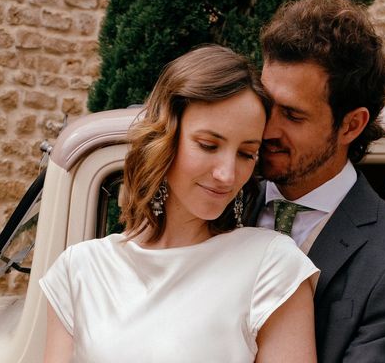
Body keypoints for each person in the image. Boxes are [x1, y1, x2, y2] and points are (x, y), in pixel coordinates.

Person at [40, 45, 319, 363]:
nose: (226, 175)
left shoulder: (272, 265)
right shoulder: (79, 269)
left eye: (246, 153)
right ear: (164, 139)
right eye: (208, 145)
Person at [250, 0, 385, 363]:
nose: (267, 129)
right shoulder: (218, 203)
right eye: (265, 104)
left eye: (292, 115)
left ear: (351, 125)